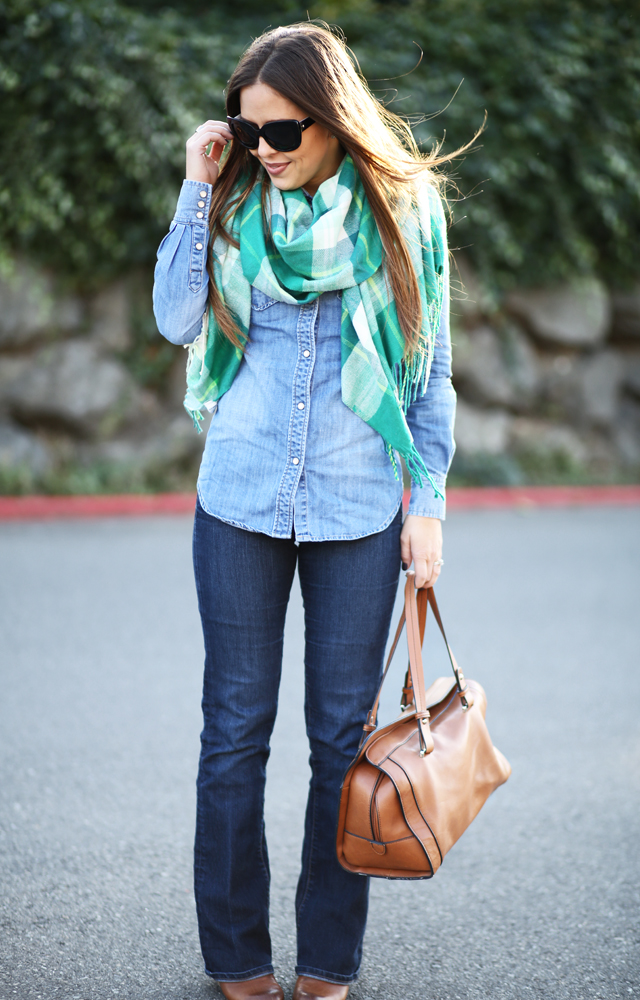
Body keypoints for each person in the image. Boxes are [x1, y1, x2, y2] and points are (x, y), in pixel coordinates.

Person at [153, 21, 458, 1000]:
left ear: (329, 120)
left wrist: (431, 504)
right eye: (248, 134)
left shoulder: (405, 215)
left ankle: (327, 958)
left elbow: (431, 371)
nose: (266, 151)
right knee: (234, 731)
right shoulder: (237, 199)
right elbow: (174, 317)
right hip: (239, 493)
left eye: (281, 133)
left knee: (342, 742)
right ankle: (236, 953)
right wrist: (201, 181)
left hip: (359, 500)